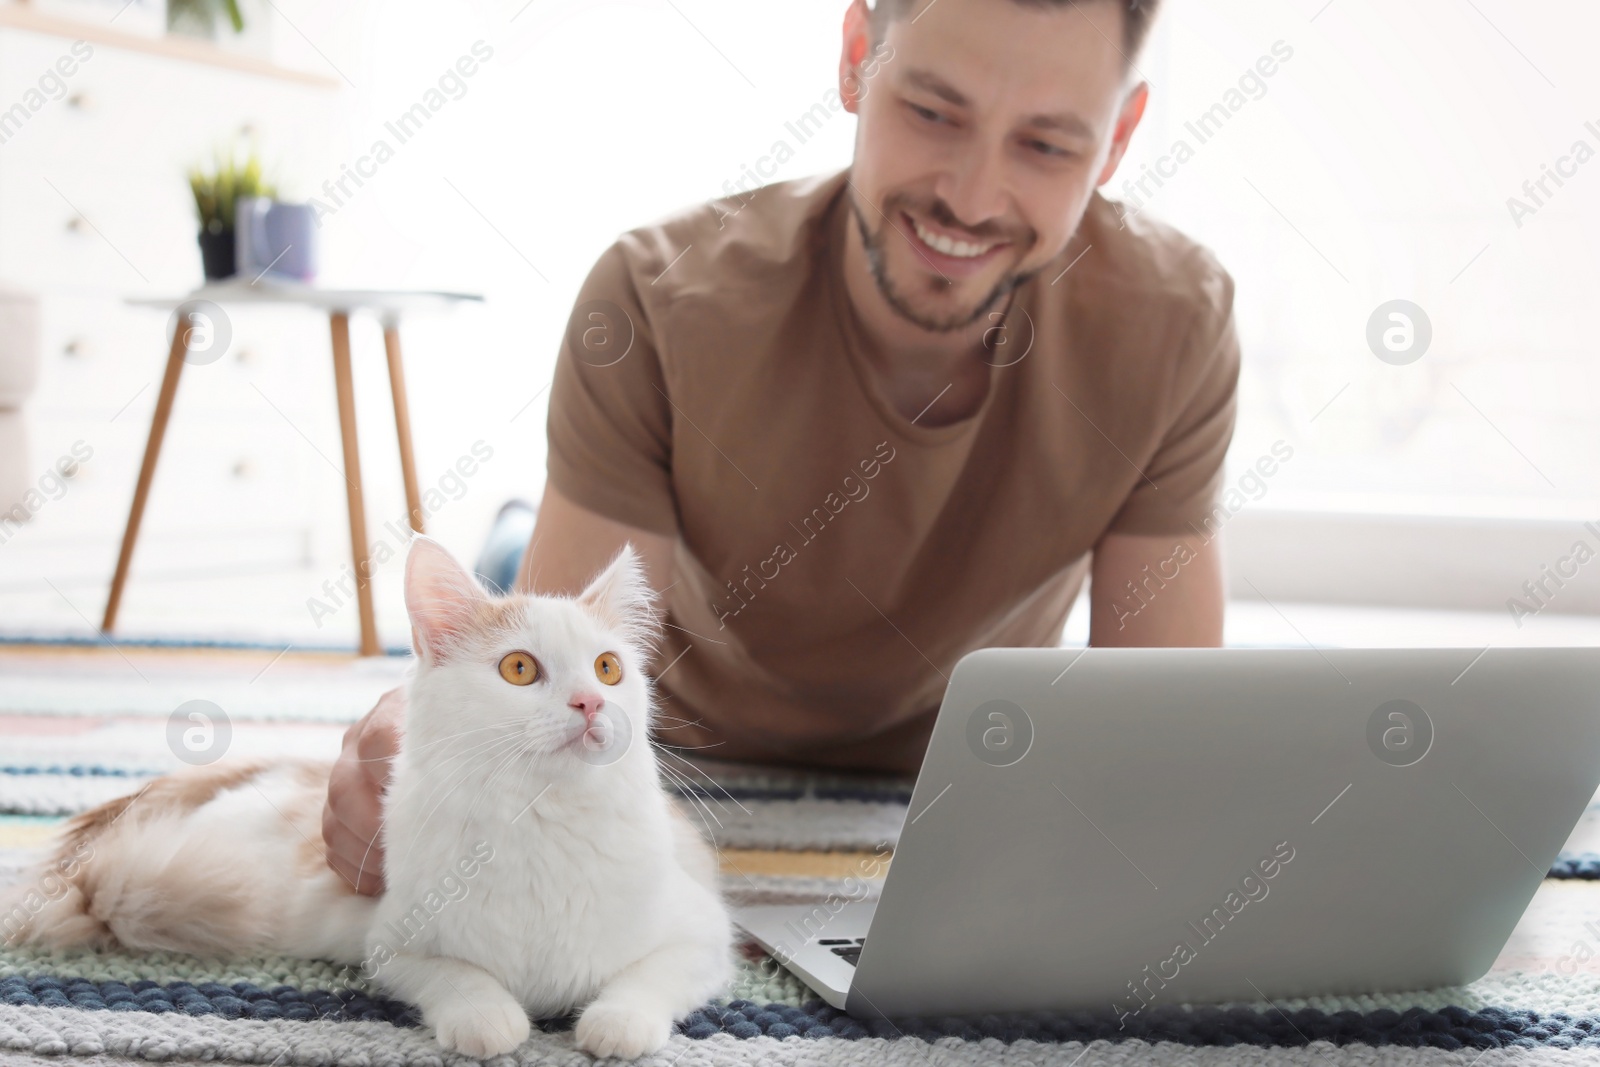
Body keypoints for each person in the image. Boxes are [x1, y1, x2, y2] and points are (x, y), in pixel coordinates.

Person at [325, 0, 1240, 895]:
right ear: (854, 58)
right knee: (522, 588)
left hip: (954, 742)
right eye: (931, 111)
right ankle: (512, 533)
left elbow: (1156, 750)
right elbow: (553, 695)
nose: (970, 195)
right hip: (680, 724)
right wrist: (422, 759)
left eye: (1046, 144)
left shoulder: (1176, 325)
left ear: (1119, 139)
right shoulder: (653, 295)